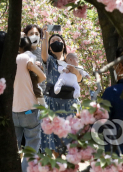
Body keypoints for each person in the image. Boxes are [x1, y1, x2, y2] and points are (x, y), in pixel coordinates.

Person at [41, 29, 83, 155]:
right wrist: (46, 36)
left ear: (64, 45)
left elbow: (79, 79)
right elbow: (43, 54)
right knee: (54, 141)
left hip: (70, 104)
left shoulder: (71, 60)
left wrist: (74, 71)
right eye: (52, 41)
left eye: (59, 40)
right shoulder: (49, 61)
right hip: (52, 104)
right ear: (49, 47)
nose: (56, 42)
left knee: (69, 141)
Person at [13, 36, 46, 172]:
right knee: (31, 149)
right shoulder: (28, 57)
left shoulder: (10, 60)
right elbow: (43, 77)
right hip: (30, 112)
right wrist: (33, 67)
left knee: (14, 148)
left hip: (14, 112)